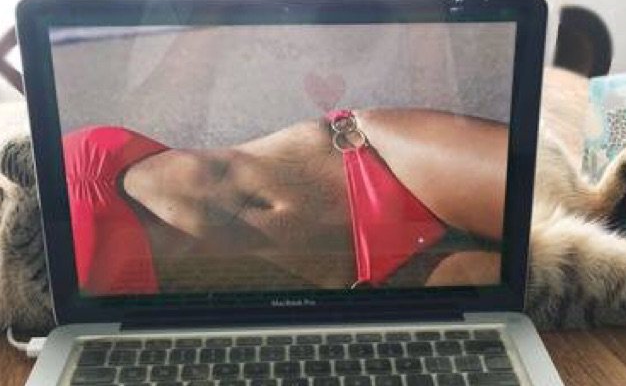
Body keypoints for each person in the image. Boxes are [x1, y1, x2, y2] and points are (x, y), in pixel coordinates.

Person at [63, 107, 510, 296]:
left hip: (359, 159)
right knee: (556, 295)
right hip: (366, 290)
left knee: (561, 205)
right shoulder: (61, 280)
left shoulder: (71, 161)